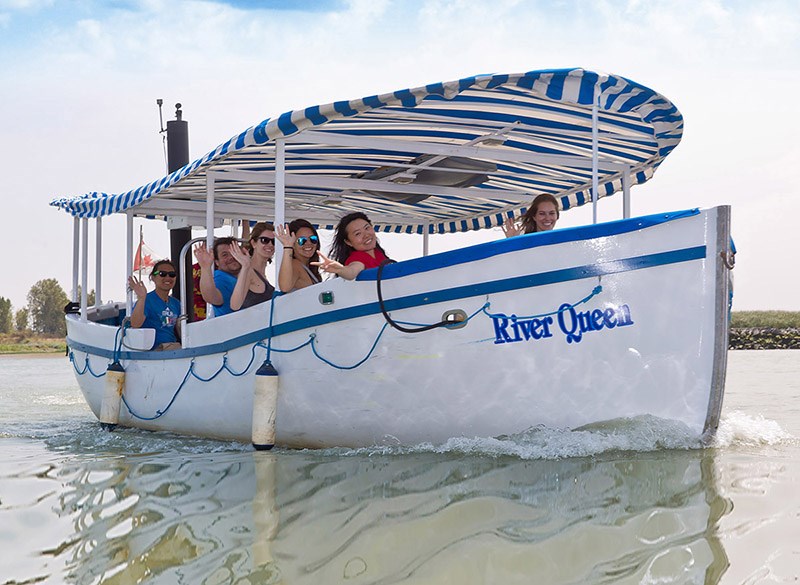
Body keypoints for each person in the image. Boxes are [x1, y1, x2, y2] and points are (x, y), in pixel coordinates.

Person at [314, 212, 391, 280]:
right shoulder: (358, 257)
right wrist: (340, 269)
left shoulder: (378, 253)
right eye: (358, 234)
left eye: (367, 228)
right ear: (348, 242)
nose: (366, 235)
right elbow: (351, 272)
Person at [127, 260, 181, 350]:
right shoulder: (147, 300)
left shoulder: (176, 303)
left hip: (173, 348)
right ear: (153, 277)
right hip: (153, 351)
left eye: (172, 274)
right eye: (162, 274)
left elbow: (180, 330)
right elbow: (135, 324)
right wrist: (141, 298)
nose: (167, 277)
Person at [229, 222, 276, 310]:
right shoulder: (249, 271)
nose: (270, 244)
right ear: (254, 243)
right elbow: (235, 305)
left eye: (274, 242)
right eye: (264, 240)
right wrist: (245, 267)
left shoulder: (261, 273)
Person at [194, 237, 241, 317]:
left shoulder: (246, 275)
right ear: (217, 262)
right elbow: (212, 298)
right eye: (225, 255)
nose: (231, 257)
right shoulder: (221, 277)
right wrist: (205, 267)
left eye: (234, 252)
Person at [275, 219, 322, 292]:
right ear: (293, 244)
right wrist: (287, 246)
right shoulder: (295, 265)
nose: (308, 243)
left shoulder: (308, 267)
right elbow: (284, 287)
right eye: (302, 240)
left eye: (313, 239)